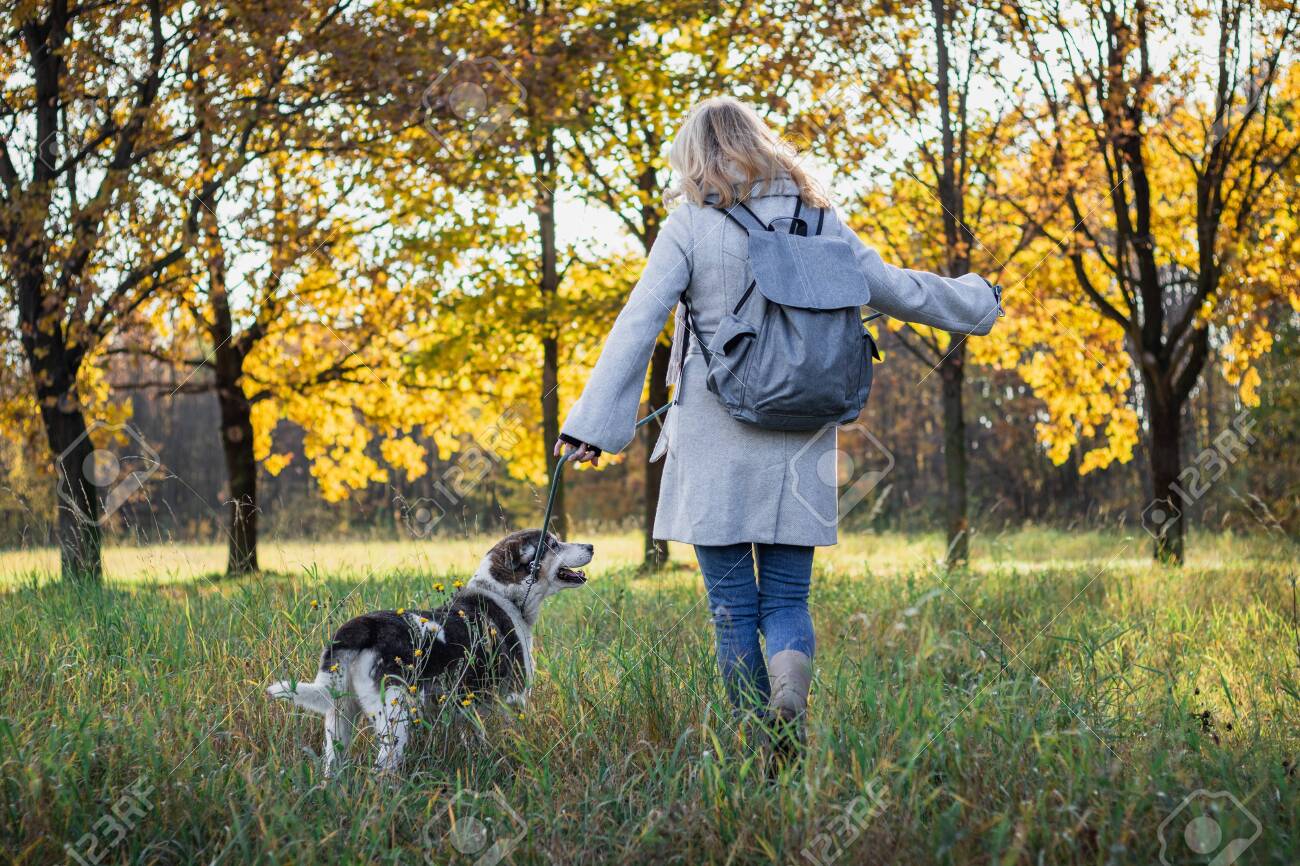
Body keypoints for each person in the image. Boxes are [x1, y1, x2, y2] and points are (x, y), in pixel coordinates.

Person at [554, 95, 1000, 761]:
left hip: (714, 437)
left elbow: (639, 320)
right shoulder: (819, 218)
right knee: (788, 599)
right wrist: (976, 299)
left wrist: (592, 426)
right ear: (762, 144)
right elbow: (893, 288)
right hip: (805, 435)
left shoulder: (691, 224)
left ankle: (757, 745)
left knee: (732, 609)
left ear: (696, 155)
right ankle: (790, 692)